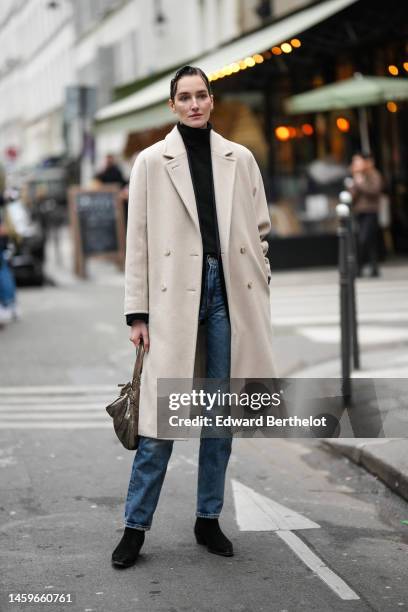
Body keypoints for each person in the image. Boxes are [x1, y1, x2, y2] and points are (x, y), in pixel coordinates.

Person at [112, 65, 276, 568]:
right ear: (172, 105)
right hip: (172, 300)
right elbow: (136, 241)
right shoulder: (150, 161)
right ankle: (134, 528)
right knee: (161, 422)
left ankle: (208, 519)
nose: (194, 104)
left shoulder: (240, 157)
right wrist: (137, 313)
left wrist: (261, 273)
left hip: (229, 291)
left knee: (219, 416)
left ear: (212, 99)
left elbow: (261, 227)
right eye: (184, 97)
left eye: (201, 95)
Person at [349, 153, 383, 277]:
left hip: (370, 211)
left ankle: (360, 267)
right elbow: (352, 197)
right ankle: (373, 268)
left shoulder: (374, 174)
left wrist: (360, 183)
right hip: (359, 212)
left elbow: (375, 191)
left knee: (365, 239)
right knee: (368, 240)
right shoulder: (356, 176)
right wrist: (354, 184)